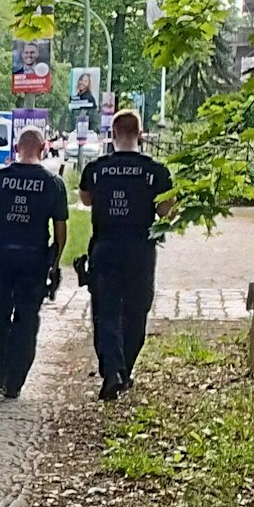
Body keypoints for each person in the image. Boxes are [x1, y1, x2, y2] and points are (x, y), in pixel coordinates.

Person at [79, 109, 175, 401]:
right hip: (140, 249)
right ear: (141, 135)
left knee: (105, 312)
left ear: (112, 135)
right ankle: (125, 370)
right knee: (136, 311)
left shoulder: (96, 169)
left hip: (105, 245)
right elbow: (165, 211)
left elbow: (85, 199)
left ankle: (112, 371)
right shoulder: (156, 171)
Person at [0, 129, 68, 398]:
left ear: (16, 147)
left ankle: (2, 373)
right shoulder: (53, 183)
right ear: (44, 147)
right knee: (27, 318)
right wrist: (54, 263)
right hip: (34, 259)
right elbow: (60, 231)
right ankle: (15, 381)